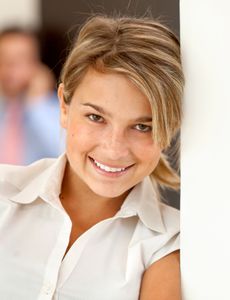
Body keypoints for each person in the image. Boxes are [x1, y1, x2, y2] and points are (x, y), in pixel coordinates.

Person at [0, 15, 183, 299]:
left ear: (169, 128)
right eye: (96, 117)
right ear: (63, 106)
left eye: (142, 126)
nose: (114, 148)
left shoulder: (168, 242)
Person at [0, 27, 62, 165]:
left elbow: (65, 150)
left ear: (37, 65)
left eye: (19, 59)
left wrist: (37, 103)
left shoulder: (58, 110)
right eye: (3, 58)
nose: (9, 67)